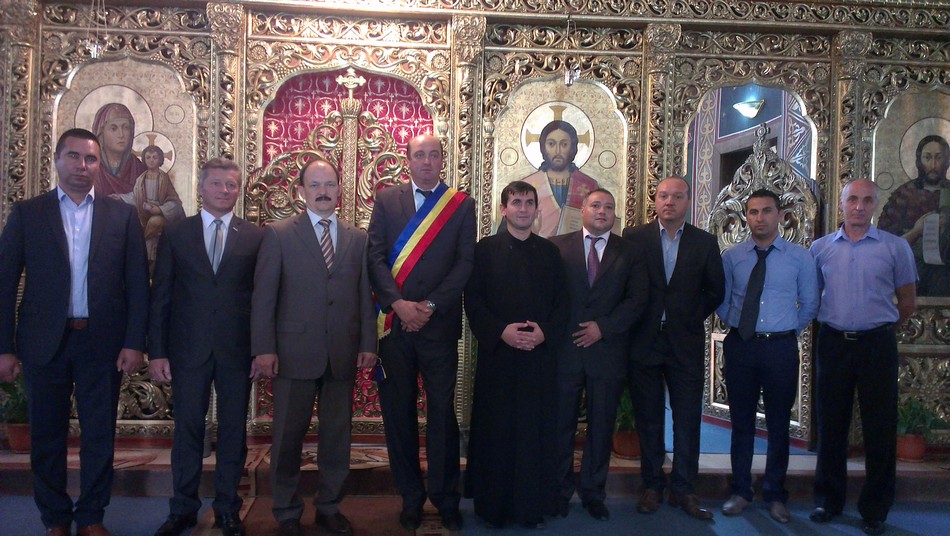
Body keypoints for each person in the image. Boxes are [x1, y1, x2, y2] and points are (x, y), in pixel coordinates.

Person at [0, 128, 149, 536]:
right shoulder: (29, 213)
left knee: (99, 435)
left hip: (102, 342)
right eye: (74, 157)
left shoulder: (121, 216)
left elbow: (138, 284)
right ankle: (55, 519)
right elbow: (5, 281)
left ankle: (91, 517)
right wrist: (4, 347)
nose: (82, 166)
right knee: (46, 436)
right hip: (44, 342)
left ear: (98, 165)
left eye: (90, 159)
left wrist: (134, 341)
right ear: (57, 160)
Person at [251, 158, 377, 536]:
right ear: (301, 191)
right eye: (315, 185)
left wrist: (368, 343)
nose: (323, 191)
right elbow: (264, 297)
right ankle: (287, 511)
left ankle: (329, 508)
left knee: (337, 438)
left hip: (342, 352)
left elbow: (364, 296)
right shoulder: (278, 234)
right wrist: (264, 348)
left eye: (330, 184)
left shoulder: (357, 238)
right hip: (293, 353)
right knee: (287, 437)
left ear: (340, 189)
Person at [148, 158, 264, 536]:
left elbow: (262, 298)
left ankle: (228, 508)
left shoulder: (255, 236)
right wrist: (158, 351)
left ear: (238, 189)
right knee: (187, 430)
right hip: (187, 349)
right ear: (201, 188)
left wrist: (261, 348)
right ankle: (183, 508)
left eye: (231, 185)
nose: (224, 190)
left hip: (237, 350)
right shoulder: (177, 233)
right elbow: (161, 295)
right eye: (216, 183)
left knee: (233, 431)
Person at [367, 133, 475, 531]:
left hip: (438, 327)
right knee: (399, 415)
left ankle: (446, 498)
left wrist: (429, 306)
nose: (426, 162)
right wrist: (398, 304)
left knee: (442, 414)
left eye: (433, 155)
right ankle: (410, 497)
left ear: (443, 160)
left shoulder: (460, 205)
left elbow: (464, 263)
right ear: (408, 160)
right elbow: (375, 257)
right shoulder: (386, 200)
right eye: (419, 155)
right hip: (395, 327)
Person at [809, 179, 917, 536]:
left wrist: (878, 328)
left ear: (875, 205)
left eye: (867, 200)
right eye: (853, 199)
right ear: (842, 204)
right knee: (831, 425)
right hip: (834, 344)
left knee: (879, 427)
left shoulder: (896, 247)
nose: (859, 206)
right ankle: (828, 500)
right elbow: (812, 297)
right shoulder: (820, 249)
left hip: (877, 345)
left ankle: (875, 509)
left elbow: (907, 303)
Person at [464, 180, 568, 529]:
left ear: (537, 209)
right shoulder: (484, 251)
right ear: (503, 209)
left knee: (533, 433)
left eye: (528, 202)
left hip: (538, 360)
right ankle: (493, 507)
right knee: (497, 432)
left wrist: (544, 333)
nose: (523, 209)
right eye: (516, 202)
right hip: (499, 359)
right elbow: (473, 300)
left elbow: (563, 304)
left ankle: (531, 507)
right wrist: (500, 331)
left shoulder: (550, 253)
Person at [623, 176, 725, 521]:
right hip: (644, 341)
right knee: (649, 418)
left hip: (685, 342)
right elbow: (623, 285)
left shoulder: (704, 242)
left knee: (687, 419)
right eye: (663, 195)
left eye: (677, 196)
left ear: (688, 201)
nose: (669, 202)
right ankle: (652, 485)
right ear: (655, 200)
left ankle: (684, 488)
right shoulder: (634, 238)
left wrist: (689, 316)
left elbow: (715, 290)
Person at [716, 189, 819, 523]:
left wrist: (785, 328)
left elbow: (810, 303)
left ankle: (775, 494)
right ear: (746, 217)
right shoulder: (733, 257)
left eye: (766, 211)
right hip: (742, 345)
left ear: (780, 215)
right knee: (741, 422)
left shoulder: (799, 257)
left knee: (778, 423)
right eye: (753, 212)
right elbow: (722, 300)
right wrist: (739, 325)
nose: (759, 218)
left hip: (780, 348)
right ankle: (741, 491)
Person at [549, 188, 647, 522]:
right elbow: (548, 297)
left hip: (607, 350)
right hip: (565, 350)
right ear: (583, 210)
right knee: (561, 425)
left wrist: (603, 328)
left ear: (614, 214)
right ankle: (559, 491)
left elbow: (637, 299)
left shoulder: (630, 252)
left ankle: (593, 492)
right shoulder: (557, 246)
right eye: (595, 205)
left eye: (608, 206)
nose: (602, 211)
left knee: (602, 425)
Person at [878, 134, 950, 296]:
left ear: (947, 161)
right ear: (919, 161)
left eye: (939, 158)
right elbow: (884, 246)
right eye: (927, 158)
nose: (933, 165)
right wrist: (916, 232)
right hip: (909, 275)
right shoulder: (904, 195)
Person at [521, 120, 599, 237]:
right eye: (551, 144)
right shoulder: (527, 185)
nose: (557, 151)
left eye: (564, 144)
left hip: (577, 246)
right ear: (543, 147)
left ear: (572, 148)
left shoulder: (589, 185)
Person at [117, 145, 185, 271]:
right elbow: (135, 197)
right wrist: (120, 197)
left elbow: (175, 202)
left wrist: (159, 209)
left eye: (154, 157)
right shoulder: (141, 179)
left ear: (160, 159)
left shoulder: (164, 178)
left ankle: (139, 245)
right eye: (148, 157)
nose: (151, 160)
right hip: (143, 214)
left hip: (160, 215)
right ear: (144, 159)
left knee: (155, 221)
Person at [90, 103, 147, 196]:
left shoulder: (138, 168)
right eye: (113, 128)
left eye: (126, 128)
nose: (121, 134)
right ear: (101, 134)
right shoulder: (91, 168)